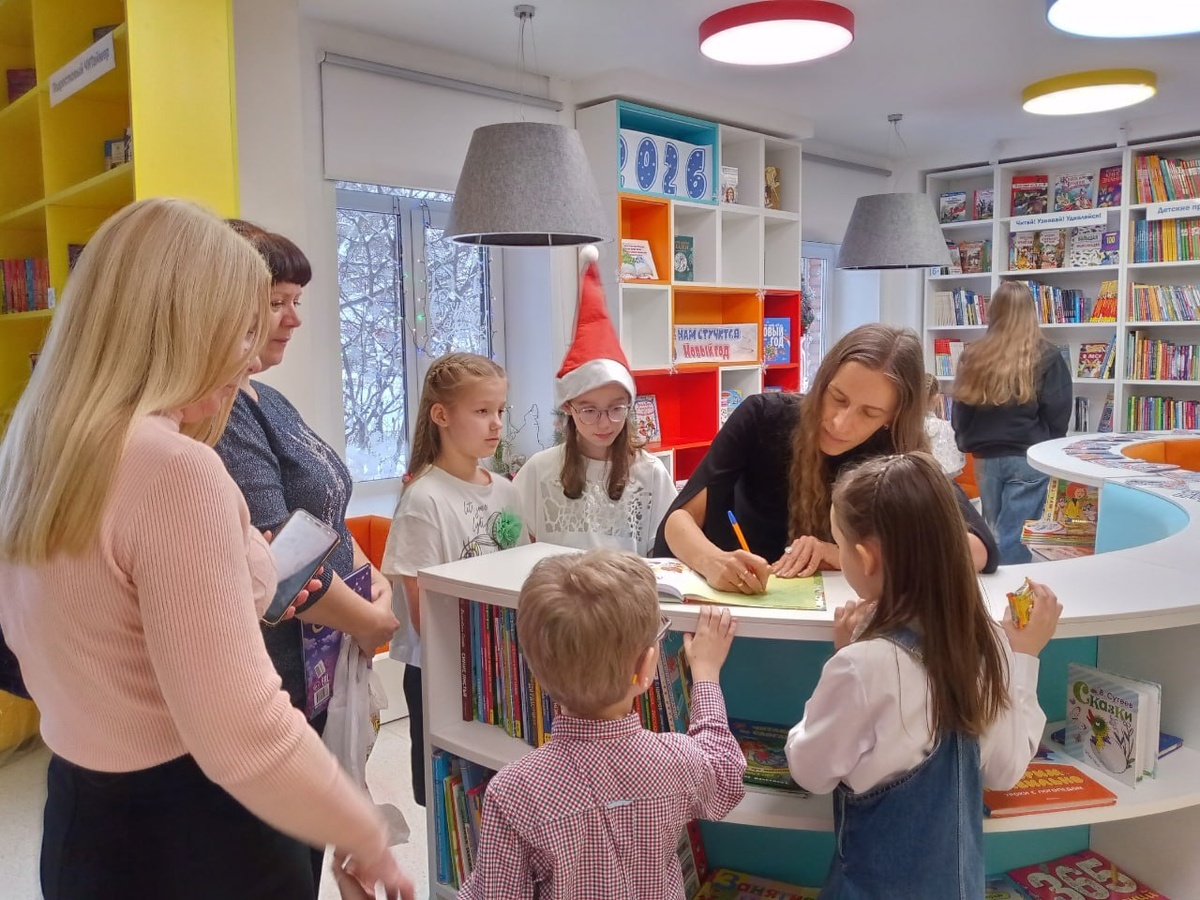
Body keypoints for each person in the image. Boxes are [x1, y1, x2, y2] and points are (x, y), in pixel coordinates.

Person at [0, 198, 411, 900]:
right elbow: (241, 730)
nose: (250, 355)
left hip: (81, 814)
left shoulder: (35, 450)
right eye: (243, 327)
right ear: (182, 327)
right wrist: (362, 831)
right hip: (199, 831)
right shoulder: (172, 471)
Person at [784, 452, 1061, 897]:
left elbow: (811, 771)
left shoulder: (862, 666)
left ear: (864, 558)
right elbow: (1005, 771)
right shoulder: (991, 643)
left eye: (838, 543)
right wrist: (1025, 655)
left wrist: (847, 653)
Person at [215, 226, 399, 886]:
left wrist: (371, 578)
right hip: (276, 676)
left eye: (297, 301)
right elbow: (277, 557)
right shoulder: (220, 412)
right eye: (276, 302)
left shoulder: (268, 397)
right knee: (276, 863)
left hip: (319, 664)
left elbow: (324, 516)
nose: (293, 319)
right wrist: (371, 620)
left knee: (305, 855)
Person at [459, 549, 746, 900]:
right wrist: (706, 675)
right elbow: (726, 775)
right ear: (645, 668)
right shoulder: (677, 761)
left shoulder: (513, 792)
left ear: (534, 669)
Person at [652, 324, 998, 593]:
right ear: (822, 381)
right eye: (838, 398)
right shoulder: (762, 417)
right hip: (740, 612)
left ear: (892, 417)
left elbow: (978, 549)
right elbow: (678, 521)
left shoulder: (897, 450)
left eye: (869, 413)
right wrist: (713, 562)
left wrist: (841, 554)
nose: (840, 423)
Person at [382, 352, 529, 808]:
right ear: (441, 416)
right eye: (482, 411)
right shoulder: (424, 498)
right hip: (444, 671)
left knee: (499, 784)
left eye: (500, 410)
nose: (496, 423)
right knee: (449, 792)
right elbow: (423, 610)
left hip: (502, 663)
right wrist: (473, 663)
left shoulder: (506, 490)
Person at [514, 246, 676, 555]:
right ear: (568, 408)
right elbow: (516, 546)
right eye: (589, 410)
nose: (604, 423)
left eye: (616, 409)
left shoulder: (650, 473)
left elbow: (663, 552)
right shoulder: (540, 470)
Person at [952, 281, 1071, 564]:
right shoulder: (1047, 356)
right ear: (1030, 312)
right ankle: (1007, 585)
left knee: (992, 529)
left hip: (985, 457)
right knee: (1013, 535)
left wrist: (965, 441)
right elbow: (1058, 412)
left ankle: (988, 581)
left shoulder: (973, 354)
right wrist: (1048, 450)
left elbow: (961, 410)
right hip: (1028, 457)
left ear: (994, 311)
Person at [925, 373, 965, 477]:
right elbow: (953, 471)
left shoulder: (899, 427)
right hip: (943, 483)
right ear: (936, 398)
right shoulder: (949, 429)